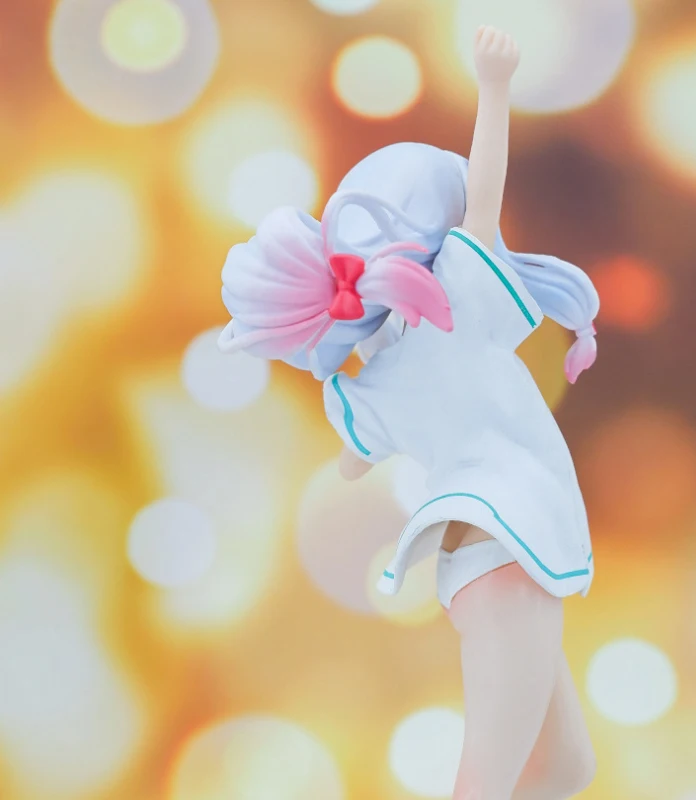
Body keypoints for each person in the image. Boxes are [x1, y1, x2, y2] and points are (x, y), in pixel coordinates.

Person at [219, 25, 597, 800]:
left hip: (484, 562)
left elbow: (352, 460)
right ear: (437, 238)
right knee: (487, 784)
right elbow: (485, 194)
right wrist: (494, 86)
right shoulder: (454, 300)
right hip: (508, 545)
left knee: (564, 768)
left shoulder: (383, 372)